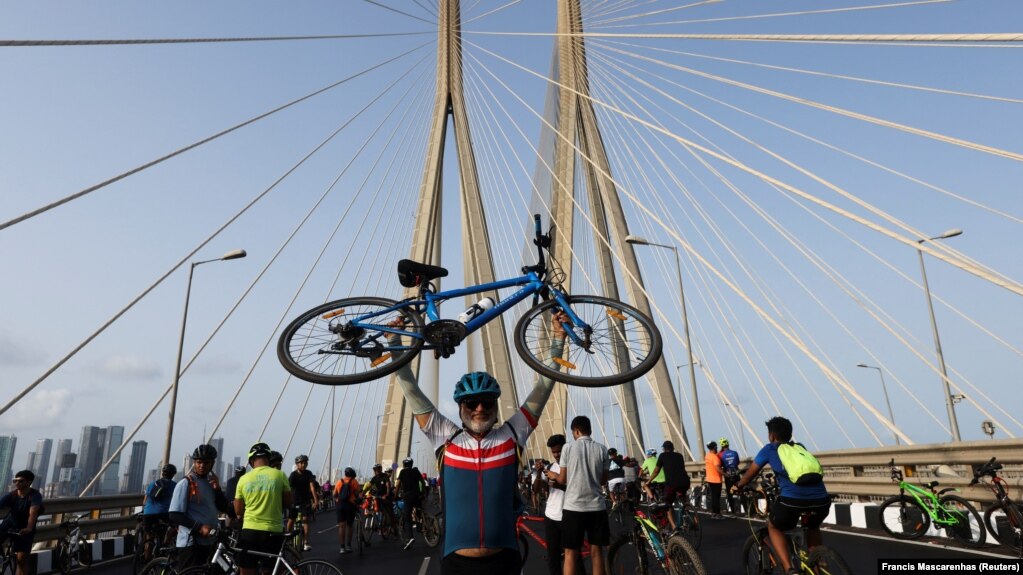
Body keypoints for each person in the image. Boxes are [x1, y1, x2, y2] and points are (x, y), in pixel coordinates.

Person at [391, 312, 568, 574]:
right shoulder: (445, 437)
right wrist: (395, 344)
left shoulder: (512, 434)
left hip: (504, 560)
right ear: (460, 407)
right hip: (457, 563)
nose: (479, 408)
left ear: (495, 406)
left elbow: (543, 386)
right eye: (471, 403)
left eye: (487, 402)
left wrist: (558, 338)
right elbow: (410, 389)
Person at [732, 417, 830, 575]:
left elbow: (750, 474)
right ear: (790, 434)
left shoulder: (769, 449)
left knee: (774, 526)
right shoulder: (800, 447)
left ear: (771, 435)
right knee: (813, 526)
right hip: (822, 500)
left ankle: (789, 569)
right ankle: (819, 563)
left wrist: (738, 486)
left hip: (792, 501)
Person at [556, 415, 610, 575]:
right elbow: (603, 480)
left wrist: (553, 476)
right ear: (590, 430)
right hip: (597, 507)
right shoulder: (602, 449)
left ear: (576, 431)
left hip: (573, 507)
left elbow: (562, 479)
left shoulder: (568, 448)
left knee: (570, 553)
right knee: (597, 552)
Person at [234, 442, 292, 575]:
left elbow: (238, 510)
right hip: (274, 532)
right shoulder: (280, 475)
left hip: (250, 532)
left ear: (251, 461)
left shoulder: (243, 479)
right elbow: (289, 502)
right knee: (271, 570)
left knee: (247, 570)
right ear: (268, 458)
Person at [169, 444, 228, 568]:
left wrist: (217, 490)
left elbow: (223, 507)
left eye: (206, 463)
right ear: (194, 462)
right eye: (199, 462)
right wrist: (200, 527)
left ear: (212, 464)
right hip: (191, 543)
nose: (202, 466)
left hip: (210, 541)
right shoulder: (186, 483)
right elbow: (174, 515)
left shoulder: (211, 483)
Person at [0, 470, 43, 575]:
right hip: (9, 524)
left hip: (25, 528)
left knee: (22, 559)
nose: (17, 483)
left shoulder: (35, 495)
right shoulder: (12, 495)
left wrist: (29, 527)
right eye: (15, 481)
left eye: (20, 481)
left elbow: (33, 512)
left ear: (29, 482)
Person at [645, 440, 689, 531]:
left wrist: (649, 481)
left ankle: (674, 527)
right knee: (685, 501)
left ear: (664, 449)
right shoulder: (680, 455)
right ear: (673, 448)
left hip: (671, 484)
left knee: (667, 504)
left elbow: (656, 471)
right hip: (685, 482)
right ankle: (695, 521)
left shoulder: (662, 456)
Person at [141, 464, 178, 548]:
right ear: (173, 474)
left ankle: (147, 554)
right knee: (177, 525)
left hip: (147, 513)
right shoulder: (174, 485)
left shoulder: (153, 484)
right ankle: (166, 542)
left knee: (149, 537)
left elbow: (144, 501)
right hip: (163, 513)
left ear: (162, 473)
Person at [288, 454, 320, 551]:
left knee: (305, 520)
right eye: (301, 463)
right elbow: (288, 488)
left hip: (305, 501)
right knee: (291, 520)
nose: (303, 464)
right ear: (297, 464)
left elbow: (312, 487)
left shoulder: (308, 473)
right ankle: (287, 539)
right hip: (294, 500)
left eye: (305, 462)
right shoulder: (293, 475)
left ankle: (306, 542)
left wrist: (316, 500)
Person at [396, 457, 425, 549]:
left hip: (408, 496)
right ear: (412, 464)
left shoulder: (402, 472)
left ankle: (410, 537)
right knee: (419, 510)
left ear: (404, 464)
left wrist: (395, 495)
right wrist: (423, 492)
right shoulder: (416, 471)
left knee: (407, 517)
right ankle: (420, 526)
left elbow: (398, 485)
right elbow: (422, 482)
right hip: (417, 495)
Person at [334, 467, 360, 554]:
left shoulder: (339, 481)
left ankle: (342, 547)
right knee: (349, 525)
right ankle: (349, 545)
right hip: (350, 505)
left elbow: (334, 494)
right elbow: (357, 494)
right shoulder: (354, 481)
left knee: (341, 526)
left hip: (340, 505)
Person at [367, 464, 396, 537]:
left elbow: (388, 486)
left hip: (385, 496)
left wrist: (387, 494)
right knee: (375, 509)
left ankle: (394, 530)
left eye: (378, 469)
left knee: (389, 513)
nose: (376, 471)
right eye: (375, 469)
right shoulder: (374, 478)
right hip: (378, 496)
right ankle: (379, 525)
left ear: (380, 469)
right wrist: (362, 493)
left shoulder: (385, 476)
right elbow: (369, 486)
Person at [719, 438, 741, 513]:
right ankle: (745, 508)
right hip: (736, 473)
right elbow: (738, 462)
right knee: (740, 489)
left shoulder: (721, 455)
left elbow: (721, 465)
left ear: (722, 446)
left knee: (729, 492)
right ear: (728, 444)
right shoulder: (735, 453)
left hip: (728, 475)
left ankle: (733, 511)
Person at [704, 441, 724, 519]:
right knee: (717, 497)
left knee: (713, 496)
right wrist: (725, 474)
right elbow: (718, 468)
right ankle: (718, 514)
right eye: (716, 447)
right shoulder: (715, 457)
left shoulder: (707, 455)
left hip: (709, 479)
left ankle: (713, 513)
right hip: (716, 480)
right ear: (715, 447)